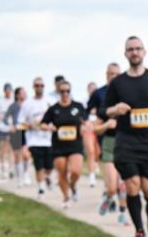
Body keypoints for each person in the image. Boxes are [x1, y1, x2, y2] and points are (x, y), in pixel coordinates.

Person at [105, 36, 148, 237]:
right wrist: (115, 109)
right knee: (132, 186)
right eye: (130, 49)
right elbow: (104, 110)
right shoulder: (118, 83)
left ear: (144, 52)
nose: (134, 52)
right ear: (125, 54)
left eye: (138, 49)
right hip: (127, 142)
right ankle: (139, 231)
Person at [90, 63, 127, 224]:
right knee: (112, 185)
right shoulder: (103, 98)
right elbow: (95, 128)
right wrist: (106, 125)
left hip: (127, 142)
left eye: (117, 74)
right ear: (106, 75)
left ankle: (123, 212)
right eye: (111, 74)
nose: (114, 77)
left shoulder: (128, 94)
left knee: (125, 183)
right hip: (109, 143)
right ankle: (108, 195)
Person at [41, 81, 86, 209]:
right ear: (58, 93)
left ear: (70, 91)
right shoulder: (54, 109)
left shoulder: (78, 106)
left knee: (76, 171)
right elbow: (43, 123)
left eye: (67, 91)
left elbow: (86, 120)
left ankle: (73, 185)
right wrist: (49, 128)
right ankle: (66, 197)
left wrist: (84, 126)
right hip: (59, 146)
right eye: (62, 91)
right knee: (62, 172)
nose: (65, 94)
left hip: (75, 144)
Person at [19, 78, 54, 199]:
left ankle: (48, 176)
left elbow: (55, 119)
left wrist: (49, 126)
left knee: (49, 166)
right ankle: (41, 188)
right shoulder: (27, 104)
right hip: (34, 139)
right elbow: (20, 123)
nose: (39, 87)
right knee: (39, 165)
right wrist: (30, 124)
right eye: (37, 85)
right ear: (33, 87)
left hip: (48, 139)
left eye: (41, 85)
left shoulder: (50, 101)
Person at [4, 86, 30, 187]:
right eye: (23, 93)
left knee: (26, 154)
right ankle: (19, 178)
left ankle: (26, 174)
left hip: (26, 131)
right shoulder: (13, 106)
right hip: (15, 131)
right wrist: (10, 126)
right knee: (17, 155)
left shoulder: (29, 105)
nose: (25, 94)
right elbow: (6, 118)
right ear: (18, 95)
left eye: (25, 92)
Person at [0, 83, 14, 179]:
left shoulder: (14, 101)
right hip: (1, 127)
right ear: (4, 91)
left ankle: (11, 169)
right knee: (2, 150)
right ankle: (3, 170)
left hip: (11, 128)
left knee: (11, 149)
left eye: (10, 90)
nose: (8, 92)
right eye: (7, 90)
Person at [83, 81, 100, 187]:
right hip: (88, 130)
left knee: (97, 152)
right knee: (90, 151)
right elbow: (82, 117)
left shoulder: (101, 101)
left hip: (98, 128)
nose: (93, 91)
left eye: (94, 89)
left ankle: (95, 165)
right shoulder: (85, 102)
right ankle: (92, 176)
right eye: (91, 89)